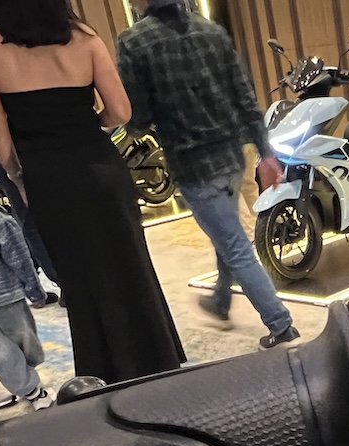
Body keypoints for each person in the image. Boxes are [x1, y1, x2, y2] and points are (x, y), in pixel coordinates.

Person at [0, 0, 186, 384]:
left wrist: (18, 178)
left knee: (81, 282)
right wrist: (88, 124)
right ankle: (159, 360)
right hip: (102, 169)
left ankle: (105, 373)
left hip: (48, 178)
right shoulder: (84, 37)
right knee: (132, 268)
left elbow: (0, 140)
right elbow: (121, 112)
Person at [118, 0, 300, 350]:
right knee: (227, 232)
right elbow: (245, 97)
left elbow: (137, 116)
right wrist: (266, 152)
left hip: (193, 164)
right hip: (233, 155)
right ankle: (220, 299)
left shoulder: (133, 42)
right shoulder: (212, 31)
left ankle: (281, 324)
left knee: (234, 245)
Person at [0, 207, 55, 411]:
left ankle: (26, 378)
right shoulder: (1, 221)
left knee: (23, 345)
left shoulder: (0, 221)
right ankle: (31, 390)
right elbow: (20, 258)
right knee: (4, 353)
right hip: (6, 297)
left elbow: (20, 258)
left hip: (7, 297)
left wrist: (34, 290)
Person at [0, 155, 61, 304]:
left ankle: (43, 285)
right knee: (31, 222)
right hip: (11, 157)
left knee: (28, 222)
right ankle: (60, 282)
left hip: (14, 157)